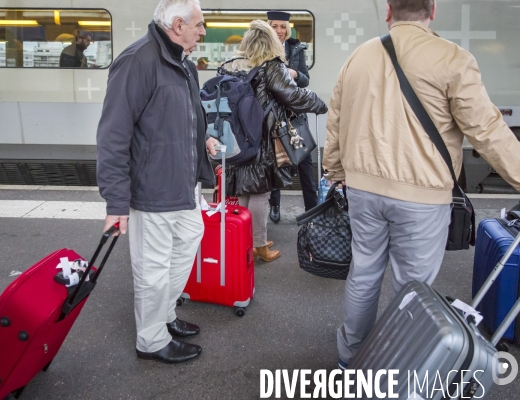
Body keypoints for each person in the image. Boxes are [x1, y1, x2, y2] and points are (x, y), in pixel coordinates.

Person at [324, 0, 520, 370]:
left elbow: (337, 119)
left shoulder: (359, 56)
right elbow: (487, 130)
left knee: (364, 273)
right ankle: (397, 370)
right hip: (422, 197)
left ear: (388, 11)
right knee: (412, 289)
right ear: (432, 11)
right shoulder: (452, 58)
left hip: (363, 190)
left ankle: (349, 360)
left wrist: (335, 170)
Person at [96, 0, 217, 364]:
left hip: (184, 184)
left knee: (189, 241)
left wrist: (203, 140)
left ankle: (164, 317)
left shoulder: (184, 64)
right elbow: (112, 136)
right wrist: (117, 204)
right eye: (199, 24)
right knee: (152, 269)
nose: (203, 30)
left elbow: (190, 116)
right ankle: (150, 340)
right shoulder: (138, 61)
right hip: (152, 189)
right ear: (177, 25)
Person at [219, 20, 327, 262]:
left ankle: (242, 239)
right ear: (270, 42)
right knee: (260, 192)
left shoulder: (228, 66)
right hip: (262, 138)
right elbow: (294, 96)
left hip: (235, 137)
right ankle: (258, 245)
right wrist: (319, 103)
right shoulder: (272, 67)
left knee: (243, 190)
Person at [266, 10, 316, 223]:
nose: (279, 30)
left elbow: (305, 80)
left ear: (288, 28)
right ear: (269, 26)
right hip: (272, 114)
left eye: (282, 27)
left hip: (295, 114)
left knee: (304, 162)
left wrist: (294, 73)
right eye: (275, 26)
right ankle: (275, 206)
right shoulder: (263, 47)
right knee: (275, 162)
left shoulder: (295, 48)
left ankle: (312, 209)